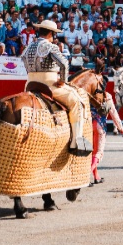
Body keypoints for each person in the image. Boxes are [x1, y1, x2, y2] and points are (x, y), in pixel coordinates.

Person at [21, 20, 91, 156]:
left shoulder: (29, 47)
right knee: (77, 102)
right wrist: (63, 81)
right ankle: (76, 141)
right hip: (48, 85)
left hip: (30, 84)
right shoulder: (51, 47)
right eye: (54, 34)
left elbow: (23, 60)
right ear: (51, 34)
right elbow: (64, 64)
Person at [90, 90, 123, 185]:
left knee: (91, 153)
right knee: (98, 153)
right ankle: (86, 175)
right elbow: (113, 113)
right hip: (100, 126)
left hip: (87, 126)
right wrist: (121, 128)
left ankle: (96, 177)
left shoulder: (87, 93)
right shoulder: (107, 95)